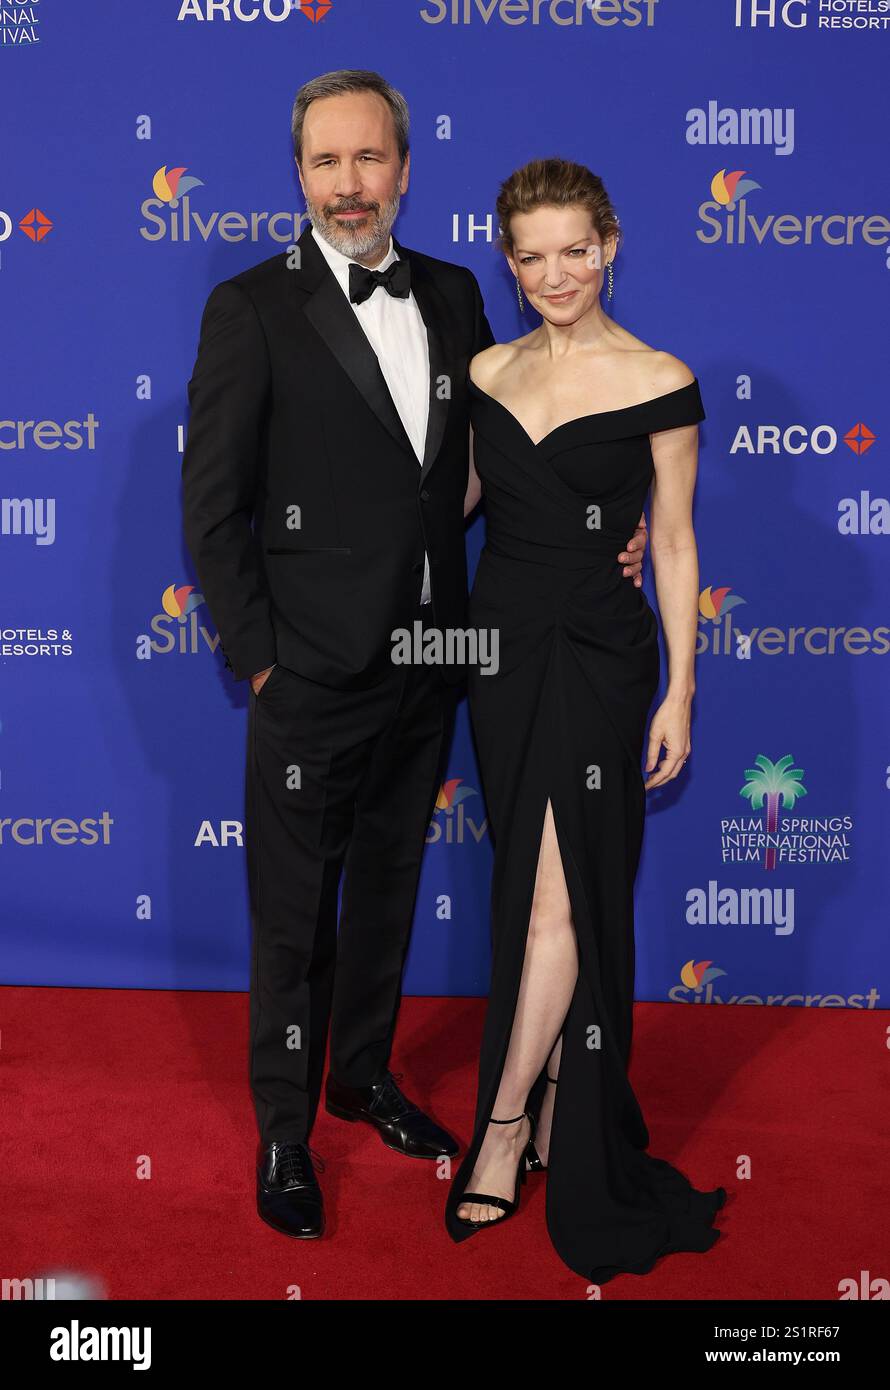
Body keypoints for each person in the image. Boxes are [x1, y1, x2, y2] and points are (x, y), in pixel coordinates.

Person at [181, 75, 652, 1241]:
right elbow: (211, 508)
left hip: (435, 654)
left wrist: (608, 533)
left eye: (369, 160)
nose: (349, 185)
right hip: (309, 668)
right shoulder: (251, 307)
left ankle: (362, 1076)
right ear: (298, 174)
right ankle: (287, 1129)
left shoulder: (450, 293)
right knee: (295, 915)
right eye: (325, 163)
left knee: (387, 886)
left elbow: (505, 456)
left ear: (403, 166)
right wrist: (261, 660)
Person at [445, 158, 726, 1284]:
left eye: (576, 248)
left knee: (560, 893)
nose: (556, 272)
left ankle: (504, 1123)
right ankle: (565, 1088)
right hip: (499, 651)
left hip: (601, 660)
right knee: (531, 881)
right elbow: (452, 506)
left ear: (610, 244)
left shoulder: (659, 376)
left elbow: (669, 542)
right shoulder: (484, 370)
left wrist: (682, 688)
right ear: (507, 264)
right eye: (532, 254)